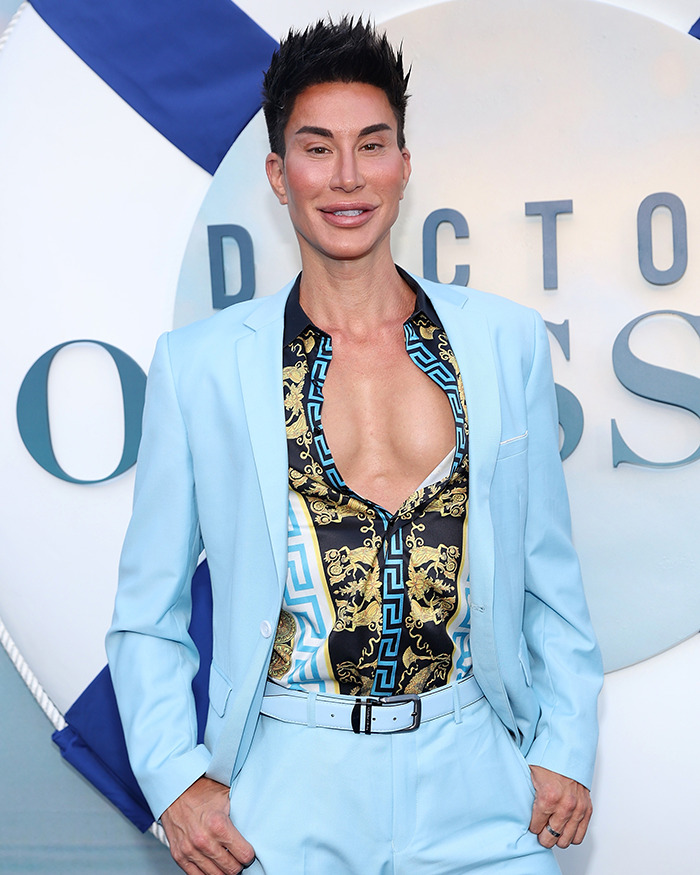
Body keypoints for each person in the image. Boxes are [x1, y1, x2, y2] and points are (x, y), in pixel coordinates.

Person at [106, 17, 603, 875]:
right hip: (289, 786)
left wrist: (565, 739)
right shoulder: (200, 369)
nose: (346, 177)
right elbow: (147, 613)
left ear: (405, 165)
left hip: (474, 773)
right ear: (278, 172)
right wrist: (174, 777)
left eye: (371, 146)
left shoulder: (503, 343)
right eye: (317, 147)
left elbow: (548, 575)